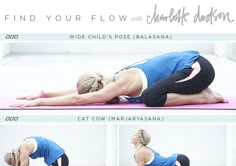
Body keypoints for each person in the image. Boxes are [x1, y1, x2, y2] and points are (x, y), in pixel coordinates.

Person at [13, 51, 223, 109]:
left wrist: (39, 103)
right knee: (149, 97)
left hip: (198, 68)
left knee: (151, 97)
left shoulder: (121, 82)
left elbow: (80, 100)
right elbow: (78, 94)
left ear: (99, 88)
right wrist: (42, 93)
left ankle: (207, 97)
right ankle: (202, 93)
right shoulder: (112, 80)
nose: (99, 98)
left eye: (97, 94)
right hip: (188, 70)